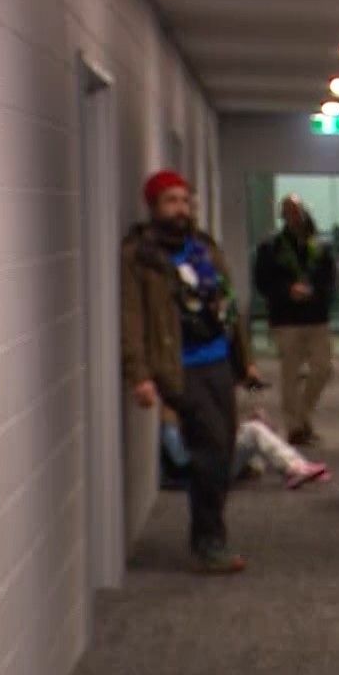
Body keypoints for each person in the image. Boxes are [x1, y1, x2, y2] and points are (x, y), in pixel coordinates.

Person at [121, 170, 261, 574]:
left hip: (218, 361)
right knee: (211, 448)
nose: (180, 209)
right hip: (179, 368)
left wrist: (244, 359)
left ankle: (210, 532)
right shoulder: (140, 256)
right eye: (171, 201)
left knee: (223, 446)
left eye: (185, 201)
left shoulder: (203, 247)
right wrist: (139, 375)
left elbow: (228, 305)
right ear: (153, 207)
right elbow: (132, 318)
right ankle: (208, 540)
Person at [252, 193, 337, 445]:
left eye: (296, 210)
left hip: (316, 317)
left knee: (323, 369)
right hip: (286, 318)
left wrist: (315, 292)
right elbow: (262, 281)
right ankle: (295, 428)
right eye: (288, 211)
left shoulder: (319, 246)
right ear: (283, 216)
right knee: (290, 374)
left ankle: (302, 415)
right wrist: (288, 290)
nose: (293, 215)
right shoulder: (271, 247)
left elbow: (330, 280)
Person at [160, 406, 331, 489]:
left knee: (258, 425)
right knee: (254, 431)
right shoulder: (168, 422)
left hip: (213, 458)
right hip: (203, 470)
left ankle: (294, 465)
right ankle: (294, 468)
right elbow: (182, 459)